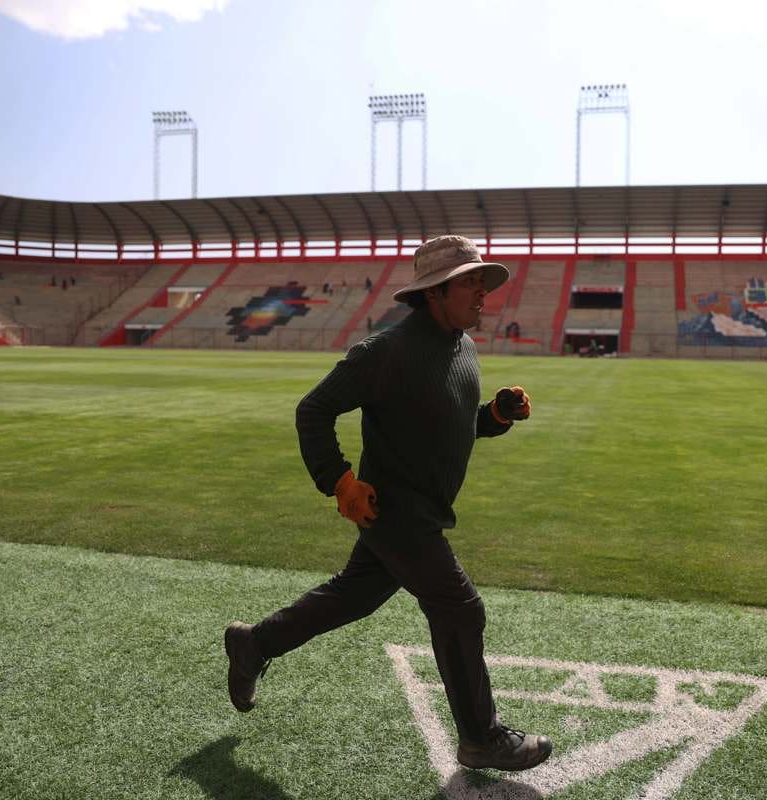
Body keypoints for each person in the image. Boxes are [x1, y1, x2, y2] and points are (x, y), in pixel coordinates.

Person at [225, 235, 549, 772]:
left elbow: (453, 428)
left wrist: (495, 416)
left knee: (355, 596)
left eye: (481, 282)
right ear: (436, 292)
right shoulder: (386, 352)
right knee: (459, 608)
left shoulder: (463, 350)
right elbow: (313, 411)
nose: (482, 293)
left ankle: (255, 643)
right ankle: (480, 738)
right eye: (470, 282)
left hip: (420, 512)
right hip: (396, 513)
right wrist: (339, 481)